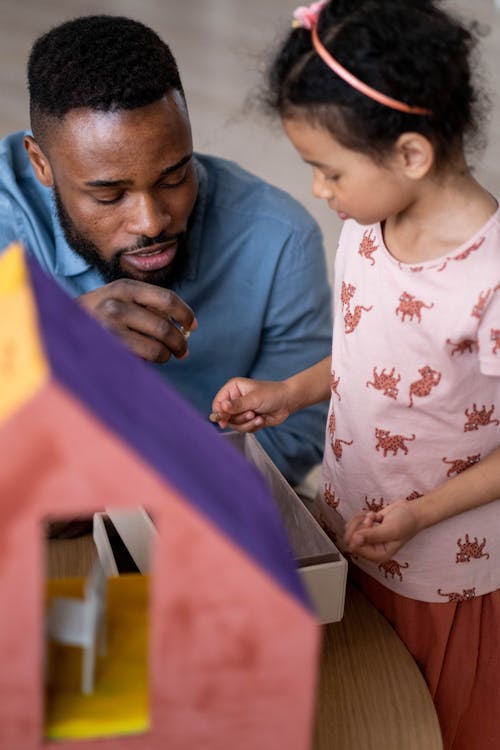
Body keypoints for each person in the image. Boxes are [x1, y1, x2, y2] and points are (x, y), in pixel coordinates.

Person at [211, 1, 500, 747]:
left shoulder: (489, 283)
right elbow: (375, 354)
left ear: (410, 154)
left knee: (429, 714)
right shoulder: (367, 231)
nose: (318, 191)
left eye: (328, 170)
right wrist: (289, 392)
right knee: (356, 680)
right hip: (353, 511)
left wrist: (422, 515)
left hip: (441, 558)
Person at [0, 15, 332, 486]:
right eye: (109, 195)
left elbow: (298, 433)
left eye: (175, 176)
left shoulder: (278, 239)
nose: (152, 221)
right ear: (41, 164)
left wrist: (127, 492)